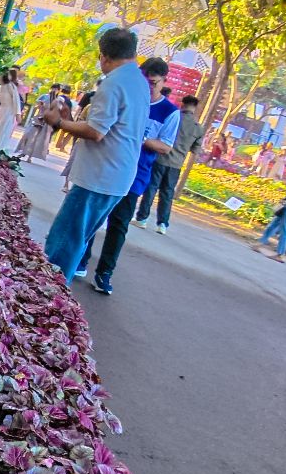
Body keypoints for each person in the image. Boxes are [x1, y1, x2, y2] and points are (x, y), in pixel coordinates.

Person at [41, 26, 148, 280]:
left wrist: (59, 122)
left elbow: (96, 131)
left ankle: (49, 292)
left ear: (104, 56)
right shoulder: (139, 82)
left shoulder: (114, 83)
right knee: (77, 238)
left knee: (63, 242)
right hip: (117, 176)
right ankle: (56, 291)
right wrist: (69, 121)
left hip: (99, 176)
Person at [87, 57, 181, 295]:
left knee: (118, 224)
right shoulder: (130, 98)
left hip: (136, 174)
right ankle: (81, 259)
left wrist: (140, 138)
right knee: (93, 216)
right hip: (109, 165)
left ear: (163, 81)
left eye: (153, 83)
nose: (148, 87)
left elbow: (165, 146)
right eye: (144, 81)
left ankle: (104, 273)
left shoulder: (170, 112)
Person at [138, 94, 202, 233]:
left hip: (159, 158)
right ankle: (162, 224)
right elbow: (195, 150)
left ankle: (142, 219)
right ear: (195, 108)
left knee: (151, 189)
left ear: (182, 104)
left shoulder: (173, 117)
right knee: (167, 194)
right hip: (176, 165)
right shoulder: (198, 128)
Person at [17, 84, 58, 163]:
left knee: (38, 138)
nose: (54, 91)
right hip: (38, 118)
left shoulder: (56, 101)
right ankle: (24, 151)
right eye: (53, 89)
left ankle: (30, 156)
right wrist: (41, 105)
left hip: (46, 121)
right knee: (29, 134)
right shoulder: (44, 96)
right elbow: (37, 105)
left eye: (56, 89)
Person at [0, 66, 23, 152]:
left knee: (0, 127)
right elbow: (14, 100)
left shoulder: (7, 86)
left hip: (6, 110)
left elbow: (15, 100)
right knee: (0, 128)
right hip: (5, 110)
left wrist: (18, 114)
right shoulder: (5, 86)